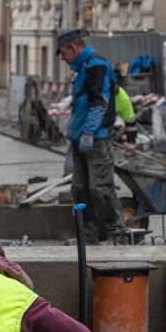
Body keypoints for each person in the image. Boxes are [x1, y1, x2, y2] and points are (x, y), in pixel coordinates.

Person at [57, 28, 125, 245]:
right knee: (80, 188)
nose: (63, 58)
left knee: (101, 188)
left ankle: (117, 234)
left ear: (73, 48)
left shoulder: (96, 64)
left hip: (96, 138)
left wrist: (88, 132)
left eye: (63, 53)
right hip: (80, 140)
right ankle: (89, 235)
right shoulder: (84, 67)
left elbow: (100, 102)